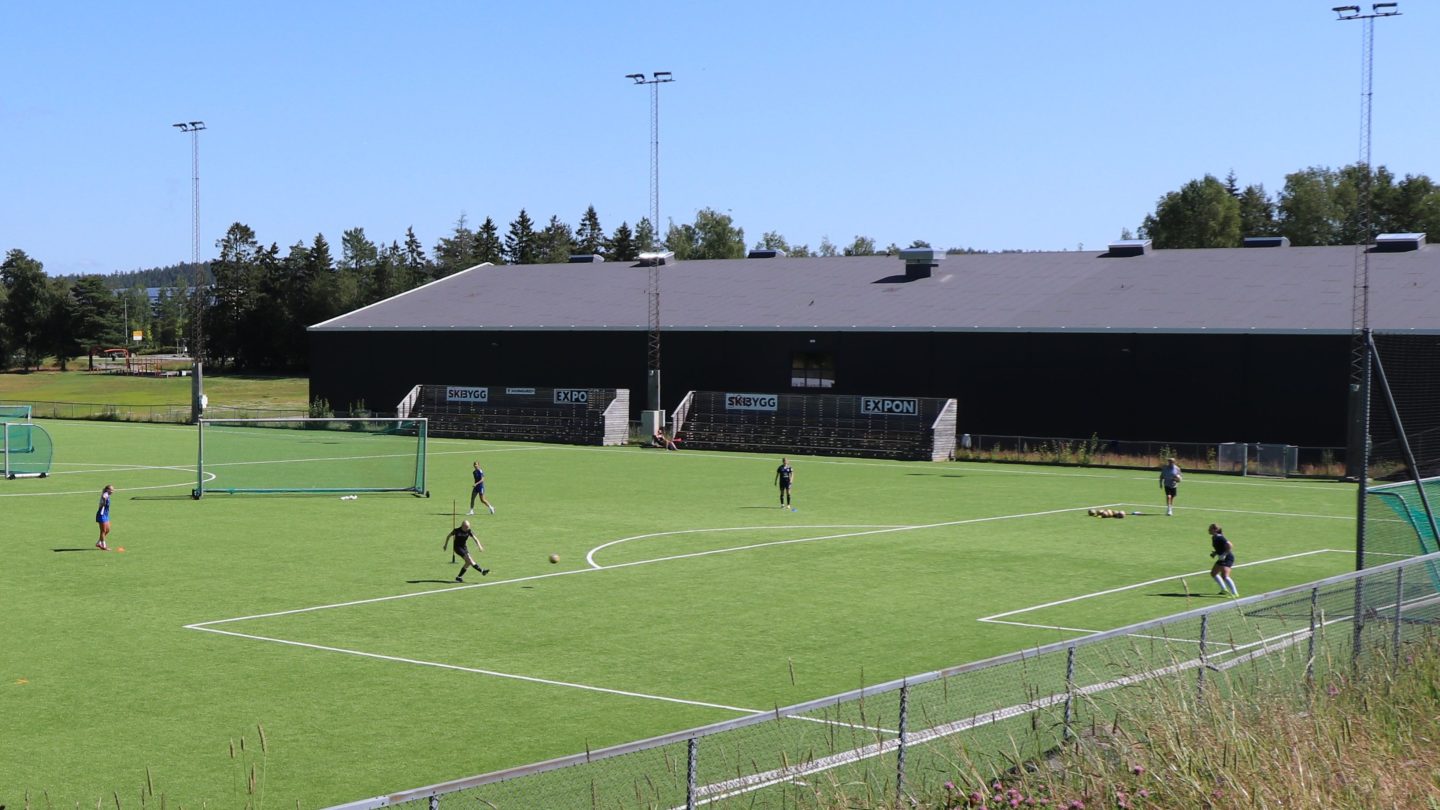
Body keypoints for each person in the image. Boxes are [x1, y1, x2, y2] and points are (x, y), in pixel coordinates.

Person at [1209, 523, 1238, 597]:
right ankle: (1224, 589)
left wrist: (1224, 554)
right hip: (1222, 558)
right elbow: (1220, 547)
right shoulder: (1214, 537)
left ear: (1215, 530)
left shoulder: (1220, 537)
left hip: (1228, 558)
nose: (1208, 530)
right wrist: (1215, 553)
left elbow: (1230, 545)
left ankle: (1235, 593)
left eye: (1210, 528)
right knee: (1213, 573)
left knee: (1225, 576)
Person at [95, 484, 115, 550]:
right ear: (107, 490)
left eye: (113, 490)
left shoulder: (107, 495)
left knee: (108, 530)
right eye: (111, 490)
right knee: (103, 531)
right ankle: (104, 546)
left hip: (106, 515)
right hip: (101, 515)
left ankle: (98, 543)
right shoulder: (106, 494)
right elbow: (104, 496)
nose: (112, 491)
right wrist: (103, 500)